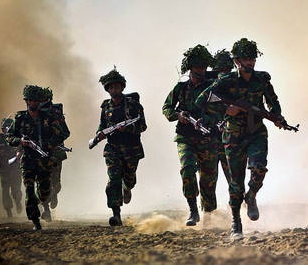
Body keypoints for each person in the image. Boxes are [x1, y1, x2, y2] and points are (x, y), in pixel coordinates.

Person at [196, 38, 286, 238]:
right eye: (245, 59)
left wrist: (277, 116)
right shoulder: (226, 81)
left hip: (256, 132)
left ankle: (251, 195)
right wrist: (227, 108)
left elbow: (273, 102)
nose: (250, 62)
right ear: (236, 61)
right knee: (236, 183)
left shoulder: (262, 79)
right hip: (233, 135)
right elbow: (201, 101)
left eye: (252, 59)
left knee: (259, 168)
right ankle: (236, 222)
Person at [162, 44, 225, 226]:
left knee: (208, 179)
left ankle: (209, 216)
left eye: (204, 67)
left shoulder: (213, 88)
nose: (201, 70)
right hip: (185, 137)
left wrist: (207, 120)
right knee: (188, 170)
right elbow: (166, 107)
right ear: (190, 68)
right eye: (198, 67)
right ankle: (193, 211)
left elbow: (221, 111)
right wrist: (178, 116)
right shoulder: (180, 88)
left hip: (208, 138)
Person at [7, 85, 70, 230]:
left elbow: (62, 134)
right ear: (27, 101)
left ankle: (46, 201)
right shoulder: (20, 118)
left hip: (45, 159)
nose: (34, 103)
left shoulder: (48, 117)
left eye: (37, 100)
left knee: (44, 192)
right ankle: (35, 220)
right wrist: (20, 141)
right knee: (29, 189)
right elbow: (9, 137)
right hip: (28, 159)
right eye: (31, 100)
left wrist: (48, 145)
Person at [96, 68, 147, 226]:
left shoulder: (134, 105)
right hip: (113, 149)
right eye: (111, 87)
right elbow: (102, 125)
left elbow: (143, 126)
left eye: (117, 87)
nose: (114, 90)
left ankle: (127, 187)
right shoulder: (106, 107)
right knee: (114, 180)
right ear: (107, 89)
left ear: (122, 87)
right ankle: (116, 215)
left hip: (131, 149)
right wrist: (99, 134)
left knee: (129, 179)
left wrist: (128, 128)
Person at [0, 117, 23, 218]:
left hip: (15, 167)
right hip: (3, 167)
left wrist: (18, 155)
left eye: (9, 127)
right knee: (5, 190)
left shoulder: (18, 137)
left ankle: (18, 202)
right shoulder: (0, 137)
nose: (7, 129)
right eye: (5, 128)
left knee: (16, 190)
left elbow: (22, 149)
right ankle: (8, 211)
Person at [46, 93, 68, 210]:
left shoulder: (56, 114)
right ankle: (45, 209)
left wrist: (52, 142)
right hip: (40, 154)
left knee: (56, 183)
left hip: (55, 153)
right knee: (42, 183)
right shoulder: (34, 115)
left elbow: (66, 133)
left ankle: (54, 194)